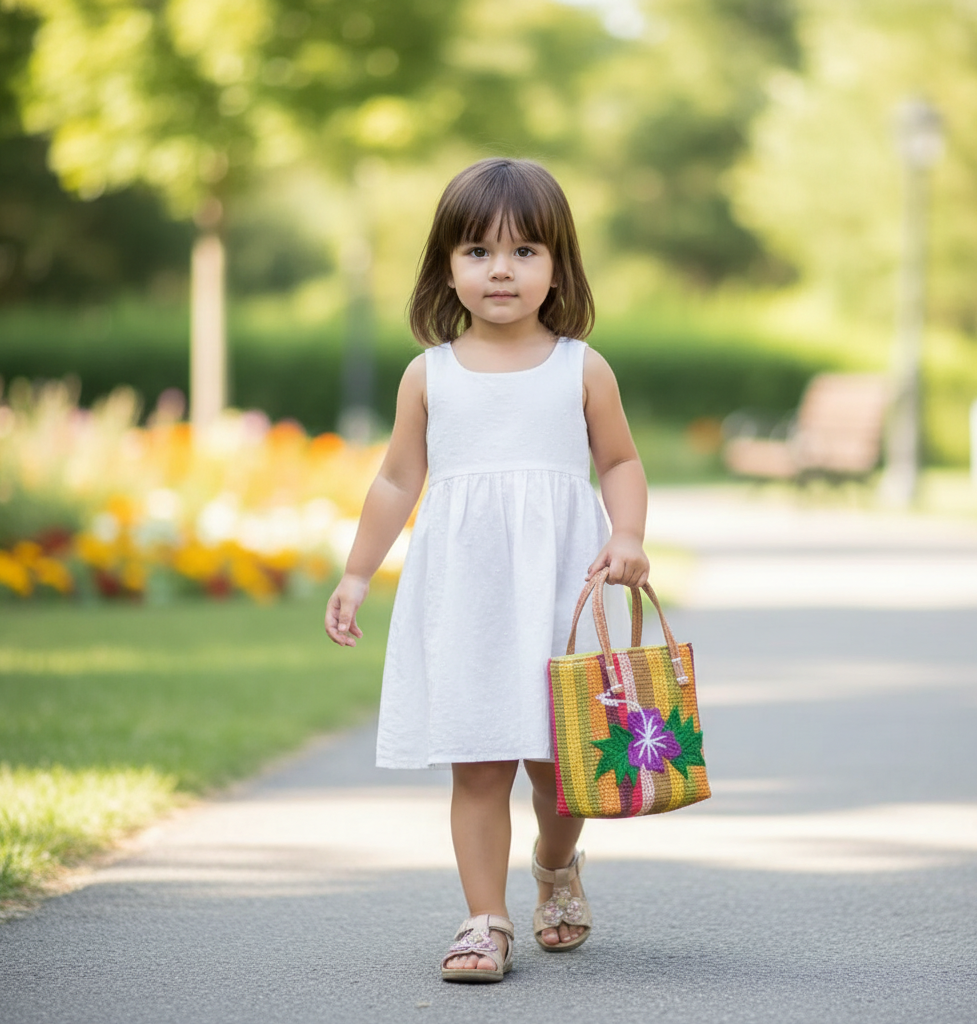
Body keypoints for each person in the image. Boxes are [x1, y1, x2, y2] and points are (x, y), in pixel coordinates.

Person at [325, 157, 649, 983]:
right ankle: (485, 920)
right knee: (478, 763)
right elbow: (399, 478)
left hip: (559, 592)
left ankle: (554, 867)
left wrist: (628, 535)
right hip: (468, 599)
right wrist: (358, 574)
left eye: (524, 250)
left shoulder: (582, 367)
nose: (500, 268)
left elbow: (618, 461)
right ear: (446, 268)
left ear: (558, 267)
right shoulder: (427, 375)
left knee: (563, 769)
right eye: (476, 251)